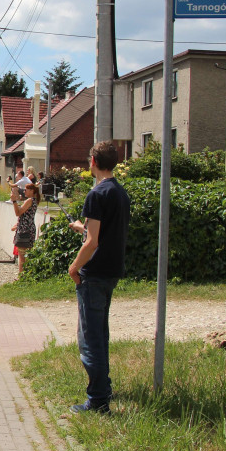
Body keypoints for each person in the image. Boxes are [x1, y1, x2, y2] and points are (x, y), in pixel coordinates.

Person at [67, 141, 131, 414]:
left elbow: (92, 243)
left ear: (93, 161)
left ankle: (98, 401)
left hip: (92, 274)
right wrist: (82, 227)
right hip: (112, 270)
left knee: (89, 338)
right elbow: (103, 233)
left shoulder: (96, 194)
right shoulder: (120, 192)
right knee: (100, 334)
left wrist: (74, 267)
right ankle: (104, 388)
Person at [11, 182, 40, 275]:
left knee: (22, 255)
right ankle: (28, 274)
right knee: (27, 254)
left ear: (32, 191)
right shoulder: (34, 200)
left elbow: (18, 212)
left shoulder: (29, 200)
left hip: (24, 230)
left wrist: (14, 201)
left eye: (26, 189)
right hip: (29, 228)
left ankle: (22, 276)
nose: (24, 191)